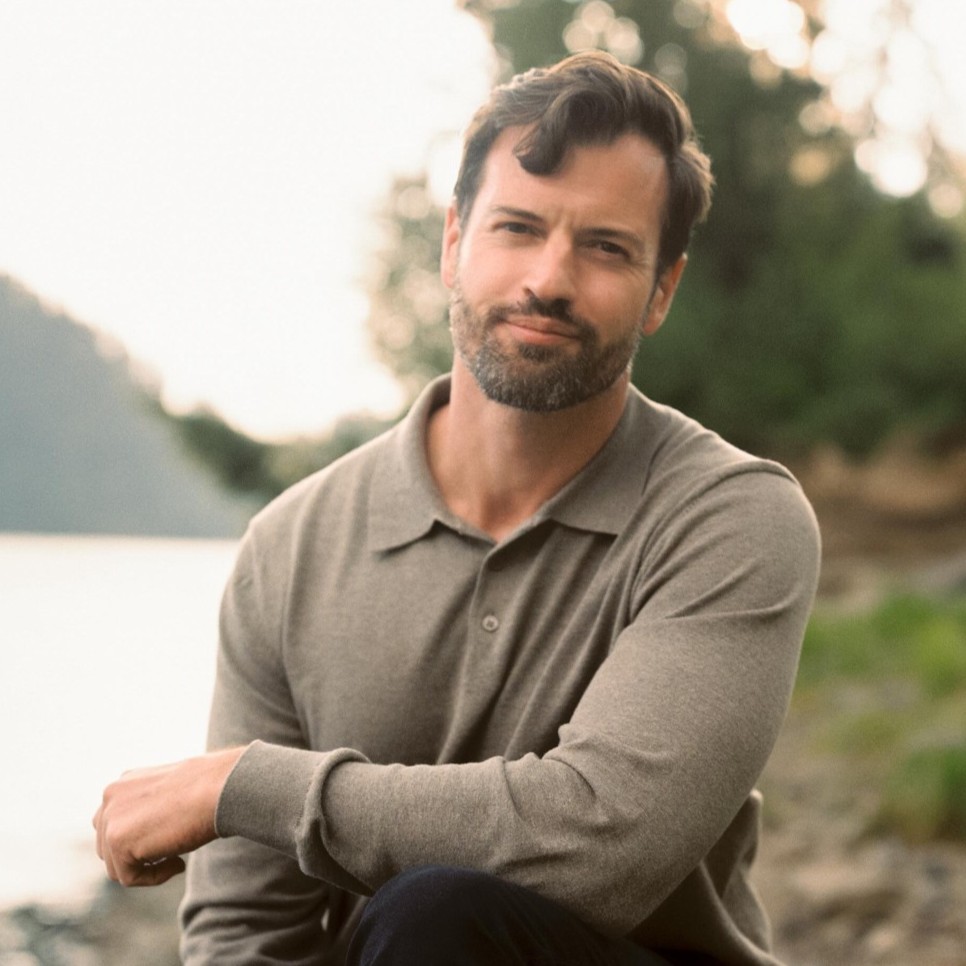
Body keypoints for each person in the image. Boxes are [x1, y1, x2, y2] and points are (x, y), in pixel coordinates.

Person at [93, 50, 820, 965]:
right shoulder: (291, 548)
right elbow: (248, 932)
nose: (549, 279)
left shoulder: (730, 518)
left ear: (661, 290)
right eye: (518, 227)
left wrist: (244, 787)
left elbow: (603, 847)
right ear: (452, 244)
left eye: (606, 247)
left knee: (438, 917)